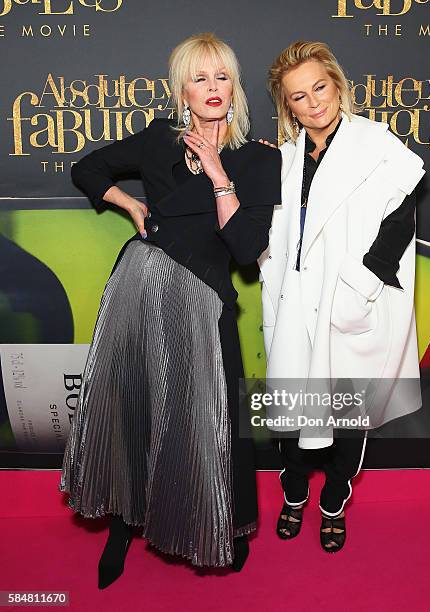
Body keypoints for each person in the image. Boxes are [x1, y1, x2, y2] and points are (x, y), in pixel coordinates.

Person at [58, 32, 281, 587]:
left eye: (221, 76)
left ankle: (214, 524)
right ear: (182, 87)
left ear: (235, 87)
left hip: (204, 300)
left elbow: (247, 250)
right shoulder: (160, 140)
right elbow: (87, 170)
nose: (212, 87)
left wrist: (217, 173)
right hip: (142, 288)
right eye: (199, 77)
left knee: (208, 420)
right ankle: (122, 524)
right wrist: (130, 203)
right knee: (132, 408)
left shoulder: (257, 159)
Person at [258, 41, 425, 552]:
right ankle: (292, 495)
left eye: (319, 88)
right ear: (287, 106)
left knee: (348, 417)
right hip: (293, 307)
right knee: (291, 415)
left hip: (350, 301)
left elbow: (399, 224)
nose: (313, 102)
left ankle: (333, 502)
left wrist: (362, 287)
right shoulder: (283, 159)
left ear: (337, 84)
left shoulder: (376, 144)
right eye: (298, 96)